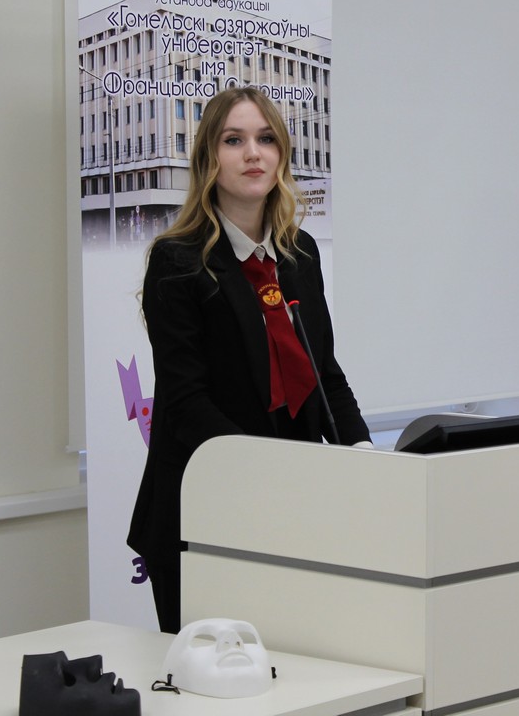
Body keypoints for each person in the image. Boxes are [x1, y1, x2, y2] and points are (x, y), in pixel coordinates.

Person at [127, 87, 372, 632]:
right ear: (209, 159)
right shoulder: (178, 260)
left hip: (293, 508)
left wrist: (363, 453)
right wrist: (266, 475)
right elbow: (186, 401)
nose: (253, 153)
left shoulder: (300, 253)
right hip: (205, 511)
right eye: (233, 140)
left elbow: (324, 373)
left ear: (282, 153)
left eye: (265, 139)